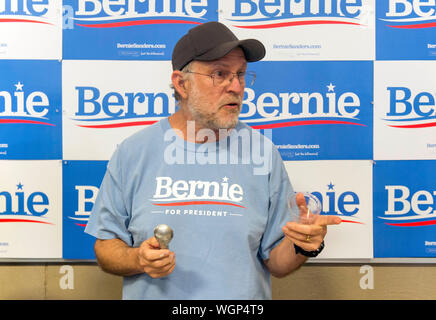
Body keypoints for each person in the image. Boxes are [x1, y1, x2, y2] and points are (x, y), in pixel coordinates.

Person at [85, 21, 341, 300]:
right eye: (220, 74)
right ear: (181, 84)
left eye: (241, 74)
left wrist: (304, 244)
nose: (236, 87)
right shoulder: (133, 152)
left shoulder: (263, 153)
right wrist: (138, 260)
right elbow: (106, 247)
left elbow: (277, 264)